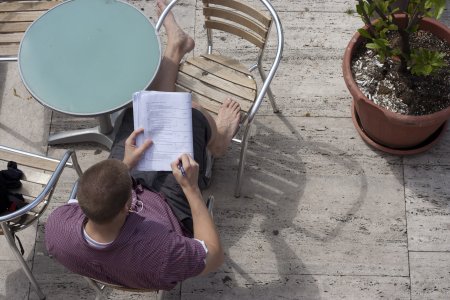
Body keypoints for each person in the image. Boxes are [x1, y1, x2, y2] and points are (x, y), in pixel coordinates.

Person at [45, 0, 241, 290]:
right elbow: (213, 257)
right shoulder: (161, 251)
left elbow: (105, 195)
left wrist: (126, 165)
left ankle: (175, 47)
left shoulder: (57, 227)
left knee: (137, 114)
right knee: (192, 116)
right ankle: (220, 140)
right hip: (169, 212)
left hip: (131, 213)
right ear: (128, 205)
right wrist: (192, 190)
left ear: (80, 204)